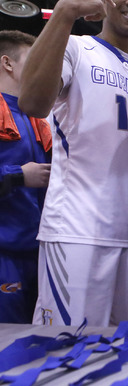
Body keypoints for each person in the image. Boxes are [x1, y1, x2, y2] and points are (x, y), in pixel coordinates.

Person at [19, 0, 128, 327]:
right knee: (64, 353)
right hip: (76, 232)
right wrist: (66, 11)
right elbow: (32, 102)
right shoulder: (75, 47)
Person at [0, 30, 51, 323]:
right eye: (35, 59)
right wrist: (18, 175)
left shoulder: (42, 116)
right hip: (5, 253)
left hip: (42, 253)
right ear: (8, 63)